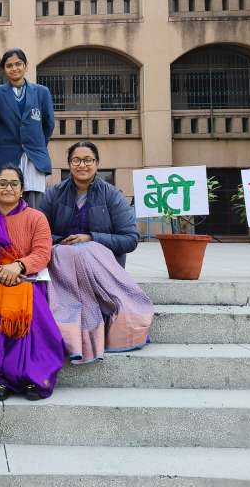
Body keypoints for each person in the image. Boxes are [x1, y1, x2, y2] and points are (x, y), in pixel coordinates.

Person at [39, 141, 154, 364]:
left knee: (86, 250)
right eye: (76, 160)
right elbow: (38, 233)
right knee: (72, 254)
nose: (82, 165)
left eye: (88, 160)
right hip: (63, 269)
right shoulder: (54, 194)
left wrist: (91, 238)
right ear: (69, 165)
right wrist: (64, 242)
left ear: (97, 164)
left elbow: (130, 239)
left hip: (101, 269)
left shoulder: (112, 195)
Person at [0, 164, 64, 401]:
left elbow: (43, 253)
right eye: (2, 183)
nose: (8, 188)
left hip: (29, 282)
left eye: (14, 184)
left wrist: (18, 266)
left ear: (21, 190)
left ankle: (32, 377)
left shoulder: (36, 218)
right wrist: (2, 271)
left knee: (33, 314)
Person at [0, 48, 54, 209]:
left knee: (35, 203)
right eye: (9, 65)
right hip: (6, 155)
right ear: (4, 69)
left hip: (35, 156)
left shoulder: (41, 92)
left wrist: (36, 143)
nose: (14, 68)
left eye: (18, 64)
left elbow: (48, 123)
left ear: (26, 66)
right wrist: (2, 144)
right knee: (6, 200)